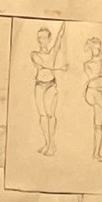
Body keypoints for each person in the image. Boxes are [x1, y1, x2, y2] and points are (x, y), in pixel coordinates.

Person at [32, 23, 66, 158]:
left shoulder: (53, 52)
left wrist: (63, 26)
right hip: (39, 85)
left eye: (44, 38)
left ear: (49, 39)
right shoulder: (34, 54)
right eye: (39, 38)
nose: (41, 40)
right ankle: (47, 143)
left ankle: (52, 144)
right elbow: (44, 64)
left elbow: (60, 37)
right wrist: (60, 68)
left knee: (51, 115)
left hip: (51, 85)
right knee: (42, 116)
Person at [83, 37, 102, 162]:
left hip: (100, 90)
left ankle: (96, 153)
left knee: (98, 125)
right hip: (93, 91)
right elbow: (92, 77)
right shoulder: (88, 64)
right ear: (91, 48)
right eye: (96, 48)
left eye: (99, 48)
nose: (98, 50)